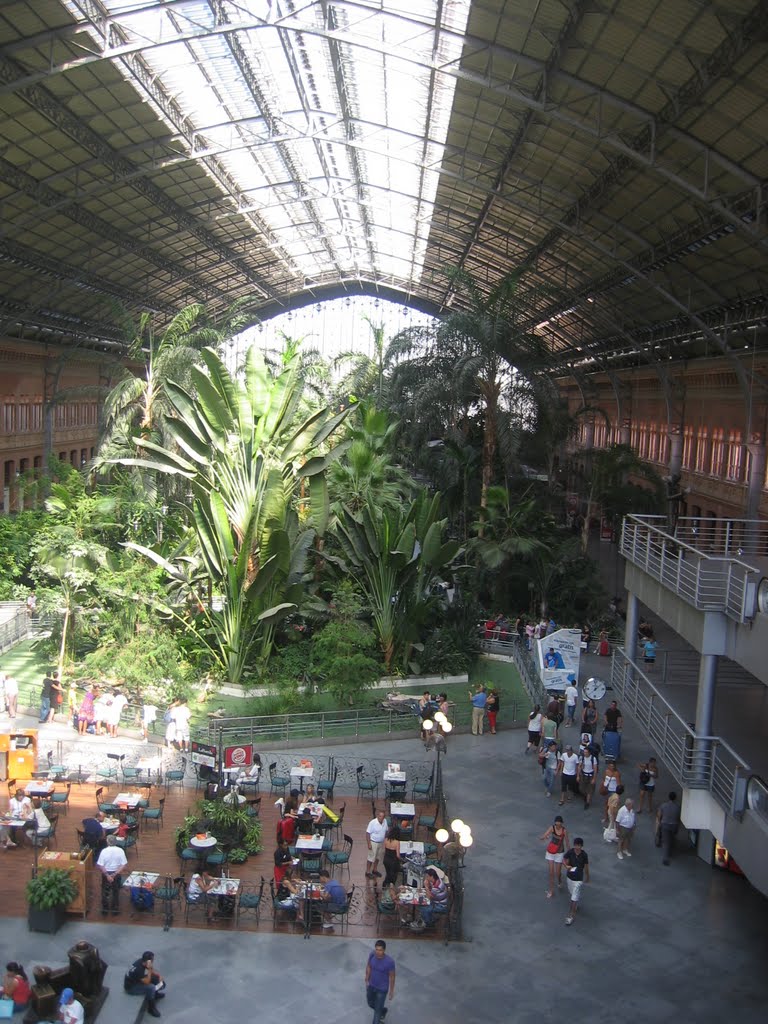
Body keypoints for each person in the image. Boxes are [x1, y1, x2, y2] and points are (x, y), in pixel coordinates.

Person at [124, 951, 165, 1018]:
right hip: (131, 988)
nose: (153, 961)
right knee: (151, 987)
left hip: (136, 980)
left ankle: (155, 994)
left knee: (156, 979)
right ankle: (151, 1009)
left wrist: (159, 976)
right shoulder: (138, 970)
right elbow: (147, 982)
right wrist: (148, 969)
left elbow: (151, 970)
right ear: (148, 961)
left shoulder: (142, 961)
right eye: (152, 960)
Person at [365, 940, 395, 1024]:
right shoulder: (372, 955)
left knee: (377, 1013)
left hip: (382, 989)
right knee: (370, 1003)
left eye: (380, 950)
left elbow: (392, 977)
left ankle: (379, 1011)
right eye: (376, 949)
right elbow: (369, 966)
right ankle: (383, 1010)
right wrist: (367, 978)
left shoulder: (390, 962)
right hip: (371, 985)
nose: (378, 952)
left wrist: (391, 991)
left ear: (384, 950)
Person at [96, 834, 127, 916]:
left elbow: (100, 865)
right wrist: (115, 874)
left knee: (105, 891)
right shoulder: (120, 850)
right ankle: (115, 909)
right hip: (116, 873)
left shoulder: (104, 851)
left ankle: (105, 909)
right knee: (115, 891)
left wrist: (107, 875)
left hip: (106, 873)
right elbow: (123, 864)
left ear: (107, 842)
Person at [540, 814, 569, 898]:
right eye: (556, 824)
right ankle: (551, 890)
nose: (558, 825)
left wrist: (569, 854)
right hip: (551, 852)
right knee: (551, 873)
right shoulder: (552, 828)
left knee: (558, 872)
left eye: (559, 824)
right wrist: (543, 837)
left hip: (559, 853)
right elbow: (545, 834)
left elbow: (567, 843)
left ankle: (559, 880)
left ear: (562, 823)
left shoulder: (564, 831)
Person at [563, 838, 590, 927]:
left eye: (579, 845)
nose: (577, 847)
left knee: (573, 898)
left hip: (578, 880)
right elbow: (564, 859)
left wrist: (587, 876)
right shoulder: (570, 852)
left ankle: (570, 916)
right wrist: (566, 866)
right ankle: (575, 903)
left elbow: (586, 866)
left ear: (581, 846)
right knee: (572, 894)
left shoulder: (584, 855)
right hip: (570, 877)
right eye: (576, 845)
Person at [413, 866, 449, 931]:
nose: (426, 878)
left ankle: (429, 923)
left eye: (427, 876)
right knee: (423, 904)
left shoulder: (437, 887)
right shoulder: (437, 880)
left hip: (441, 905)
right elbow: (430, 891)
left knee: (424, 908)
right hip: (437, 901)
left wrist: (426, 886)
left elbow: (429, 897)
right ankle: (428, 919)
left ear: (431, 876)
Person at [656, 791, 682, 866]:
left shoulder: (664, 805)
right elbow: (678, 817)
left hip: (665, 825)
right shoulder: (678, 807)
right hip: (674, 825)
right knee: (672, 838)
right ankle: (670, 852)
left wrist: (660, 822)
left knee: (665, 842)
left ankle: (665, 858)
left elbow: (659, 815)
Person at [365, 808, 387, 879]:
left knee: (378, 857)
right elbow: (367, 833)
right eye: (380, 816)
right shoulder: (373, 822)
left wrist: (385, 839)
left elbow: (386, 831)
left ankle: (375, 869)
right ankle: (368, 871)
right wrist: (369, 843)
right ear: (378, 816)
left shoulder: (385, 822)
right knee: (371, 857)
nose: (381, 818)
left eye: (383, 817)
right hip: (373, 842)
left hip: (380, 842)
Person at [382, 824, 402, 893]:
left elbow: (384, 850)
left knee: (388, 873)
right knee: (393, 875)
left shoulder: (386, 840)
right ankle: (391, 889)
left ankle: (384, 885)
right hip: (393, 862)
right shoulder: (397, 842)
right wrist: (402, 860)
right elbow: (398, 855)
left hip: (386, 860)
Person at [579, 741, 599, 809]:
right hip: (584, 775)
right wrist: (578, 775)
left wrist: (594, 778)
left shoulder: (593, 759)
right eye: (584, 752)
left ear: (589, 752)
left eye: (586, 752)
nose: (585, 753)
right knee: (582, 788)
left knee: (589, 790)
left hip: (590, 775)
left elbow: (595, 769)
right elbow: (580, 766)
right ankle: (585, 796)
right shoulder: (582, 758)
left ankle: (587, 802)